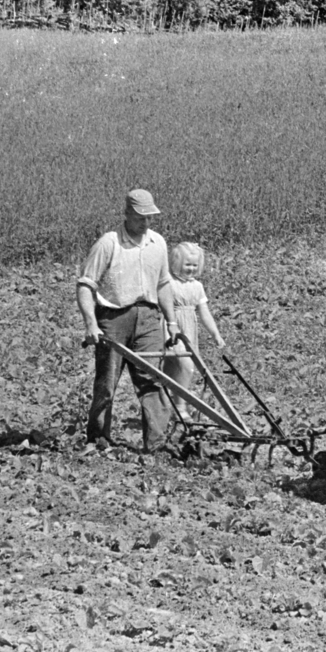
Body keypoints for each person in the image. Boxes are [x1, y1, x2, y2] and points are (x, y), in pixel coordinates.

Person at [76, 188, 178, 453]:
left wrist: (172, 323)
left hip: (149, 318)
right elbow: (86, 285)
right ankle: (98, 440)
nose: (146, 223)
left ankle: (156, 445)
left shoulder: (157, 243)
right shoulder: (109, 243)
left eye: (149, 217)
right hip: (114, 318)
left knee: (152, 380)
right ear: (127, 213)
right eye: (140, 217)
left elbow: (163, 284)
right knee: (107, 383)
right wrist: (91, 323)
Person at [162, 242, 227, 420]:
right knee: (184, 366)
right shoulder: (168, 282)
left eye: (194, 265)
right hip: (172, 328)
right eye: (187, 265)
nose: (191, 269)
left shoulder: (197, 286)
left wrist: (215, 334)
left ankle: (174, 405)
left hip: (188, 330)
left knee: (178, 368)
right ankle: (178, 407)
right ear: (176, 263)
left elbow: (204, 313)